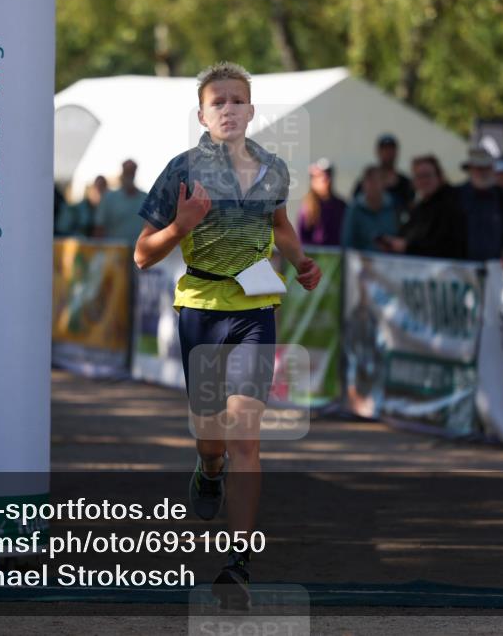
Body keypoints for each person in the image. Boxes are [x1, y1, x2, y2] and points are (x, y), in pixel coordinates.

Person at [133, 61, 321, 609]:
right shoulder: (182, 171)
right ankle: (207, 467)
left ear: (251, 110)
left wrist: (302, 261)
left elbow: (280, 226)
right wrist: (181, 226)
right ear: (202, 114)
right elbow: (143, 254)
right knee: (212, 436)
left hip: (254, 311)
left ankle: (239, 561)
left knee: (246, 438)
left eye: (237, 100)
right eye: (218, 102)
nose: (229, 109)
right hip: (200, 309)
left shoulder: (273, 170)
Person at [379, 155, 467, 260]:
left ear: (439, 176)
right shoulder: (419, 207)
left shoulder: (451, 203)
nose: (424, 181)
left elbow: (442, 245)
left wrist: (406, 247)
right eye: (419, 176)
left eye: (427, 175)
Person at [457, 147, 503, 261]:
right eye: (479, 168)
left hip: (495, 265)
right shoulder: (456, 195)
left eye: (487, 168)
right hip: (462, 266)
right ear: (470, 169)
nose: (483, 172)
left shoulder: (501, 196)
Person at [341, 165, 399, 251]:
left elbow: (398, 238)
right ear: (363, 184)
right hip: (361, 262)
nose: (372, 186)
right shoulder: (354, 209)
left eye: (376, 181)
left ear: (384, 183)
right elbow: (347, 242)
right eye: (369, 181)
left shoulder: (394, 207)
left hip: (388, 261)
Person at [94, 159, 148, 243]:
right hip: (115, 251)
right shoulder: (109, 198)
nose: (129, 175)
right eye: (127, 172)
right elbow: (100, 227)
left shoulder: (145, 198)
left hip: (139, 250)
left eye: (131, 172)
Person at [297, 157, 346, 246]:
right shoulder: (307, 208)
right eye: (319, 176)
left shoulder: (341, 206)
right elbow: (302, 238)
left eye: (327, 174)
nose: (324, 179)